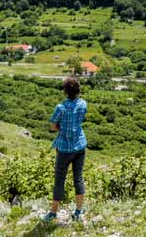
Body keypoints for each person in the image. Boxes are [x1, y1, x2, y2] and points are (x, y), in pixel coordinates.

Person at [43, 76, 88, 224]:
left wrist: (61, 127)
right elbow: (80, 120)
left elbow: (52, 127)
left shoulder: (60, 108)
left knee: (59, 180)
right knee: (78, 178)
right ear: (78, 90)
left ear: (65, 91)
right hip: (80, 145)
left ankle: (53, 213)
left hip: (64, 148)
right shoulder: (83, 104)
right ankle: (78, 211)